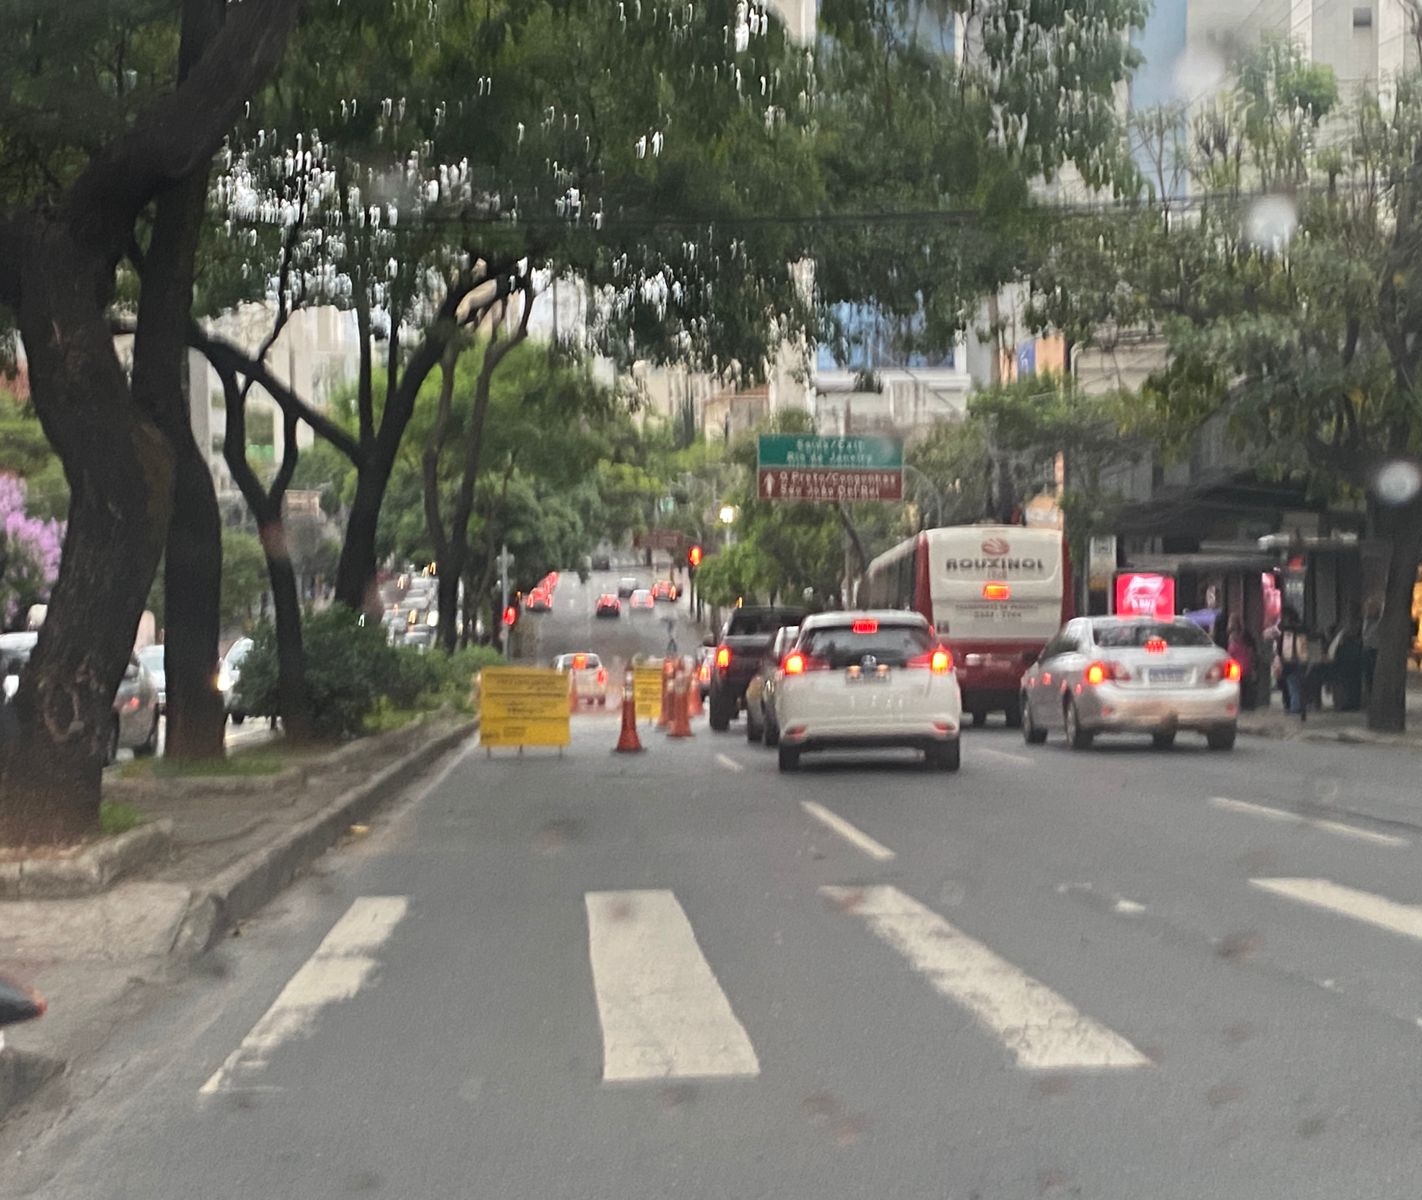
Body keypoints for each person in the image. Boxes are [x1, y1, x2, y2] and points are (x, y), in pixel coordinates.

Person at [1276, 606, 1310, 717]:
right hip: (1300, 659)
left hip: (1290, 659)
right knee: (1296, 684)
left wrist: (1280, 656)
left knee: (1292, 684)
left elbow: (1282, 646)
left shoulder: (1285, 630)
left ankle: (1295, 708)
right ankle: (1297, 706)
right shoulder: (1301, 628)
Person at [1226, 615, 1258, 710]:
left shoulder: (1231, 637)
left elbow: (1230, 653)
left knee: (1239, 687)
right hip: (1245, 665)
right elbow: (1252, 649)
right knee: (1246, 687)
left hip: (1236, 666)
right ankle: (1247, 706)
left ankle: (1243, 705)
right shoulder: (1244, 635)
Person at [1362, 599, 1383, 698]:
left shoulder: (1379, 622)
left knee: (1374, 675)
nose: (1368, 610)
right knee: (1368, 676)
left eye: (1371, 608)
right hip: (1366, 650)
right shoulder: (1366, 621)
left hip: (1375, 650)